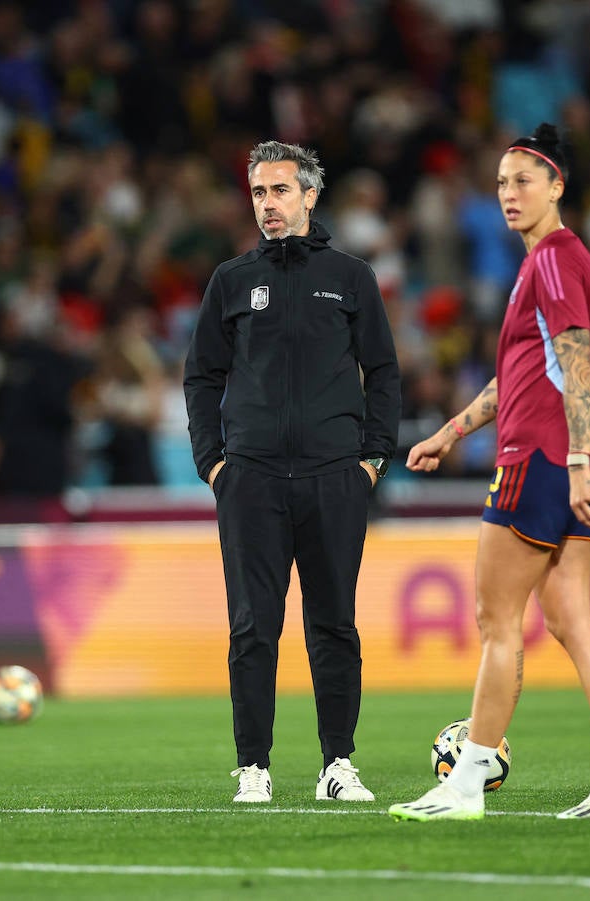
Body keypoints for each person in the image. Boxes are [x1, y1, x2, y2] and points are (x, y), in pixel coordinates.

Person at [388, 125, 590, 823]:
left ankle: (466, 783)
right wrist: (450, 430)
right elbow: (523, 375)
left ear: (557, 186)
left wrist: (580, 460)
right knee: (573, 619)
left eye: (523, 180)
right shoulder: (557, 262)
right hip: (565, 460)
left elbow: (580, 362)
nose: (508, 193)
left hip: (539, 460)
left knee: (496, 620)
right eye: (501, 182)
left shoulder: (554, 260)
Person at [183, 140, 400, 804]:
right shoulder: (229, 279)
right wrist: (213, 463)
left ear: (310, 196)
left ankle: (338, 764)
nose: (268, 204)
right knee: (254, 625)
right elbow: (200, 376)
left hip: (335, 476)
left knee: (333, 623)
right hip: (249, 479)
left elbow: (385, 371)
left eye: (280, 191)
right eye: (258, 193)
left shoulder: (351, 276)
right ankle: (254, 766)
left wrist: (371, 458)